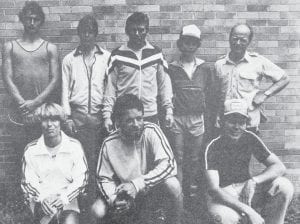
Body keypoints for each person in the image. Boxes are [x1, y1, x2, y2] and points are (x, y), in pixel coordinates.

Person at [92, 94, 183, 224]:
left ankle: (176, 221)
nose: (136, 124)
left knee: (173, 184)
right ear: (118, 122)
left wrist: (137, 184)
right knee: (97, 209)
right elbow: (103, 178)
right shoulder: (109, 143)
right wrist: (114, 199)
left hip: (151, 188)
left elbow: (168, 164)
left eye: (139, 118)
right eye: (129, 120)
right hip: (123, 192)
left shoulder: (151, 131)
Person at [204, 98, 294, 224]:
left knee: (284, 186)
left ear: (246, 123)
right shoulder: (212, 145)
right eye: (232, 121)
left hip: (247, 188)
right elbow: (214, 189)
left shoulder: (249, 137)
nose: (236, 127)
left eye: (241, 122)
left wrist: (254, 181)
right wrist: (248, 211)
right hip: (224, 194)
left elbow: (279, 166)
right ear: (222, 121)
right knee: (222, 217)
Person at [61, 15, 110, 214]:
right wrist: (68, 118)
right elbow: (64, 91)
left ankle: (97, 204)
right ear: (79, 34)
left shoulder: (106, 57)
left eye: (91, 31)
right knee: (79, 163)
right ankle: (78, 206)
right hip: (78, 119)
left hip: (99, 118)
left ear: (96, 34)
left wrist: (107, 116)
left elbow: (110, 88)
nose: (87, 35)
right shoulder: (69, 59)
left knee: (97, 162)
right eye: (84, 31)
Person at [2, 1, 59, 165]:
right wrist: (22, 104)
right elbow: (7, 77)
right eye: (28, 19)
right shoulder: (10, 46)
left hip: (42, 114)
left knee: (43, 158)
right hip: (19, 114)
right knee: (20, 158)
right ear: (22, 20)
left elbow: (55, 80)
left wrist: (35, 103)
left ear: (41, 21)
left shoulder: (50, 48)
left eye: (35, 19)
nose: (32, 23)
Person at [102, 12, 174, 132]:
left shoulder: (156, 54)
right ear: (127, 31)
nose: (137, 34)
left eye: (141, 30)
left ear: (147, 31)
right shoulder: (117, 55)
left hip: (150, 114)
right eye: (133, 30)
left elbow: (164, 85)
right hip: (125, 115)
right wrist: (107, 116)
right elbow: (110, 87)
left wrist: (169, 111)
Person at [213, 23, 289, 134]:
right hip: (226, 123)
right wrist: (216, 115)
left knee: (250, 151)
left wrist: (265, 94)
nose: (238, 43)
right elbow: (217, 94)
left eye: (243, 40)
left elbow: (284, 79)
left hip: (249, 122)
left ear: (249, 41)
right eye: (235, 39)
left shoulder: (257, 62)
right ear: (229, 39)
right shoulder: (219, 64)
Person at [21, 103, 88, 224]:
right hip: (42, 201)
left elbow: (81, 179)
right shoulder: (31, 149)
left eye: (54, 119)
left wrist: (63, 198)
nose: (49, 125)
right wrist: (43, 198)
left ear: (61, 122)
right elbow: (28, 181)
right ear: (40, 123)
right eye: (45, 120)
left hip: (67, 200)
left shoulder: (74, 146)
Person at [168, 25, 212, 203]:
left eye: (193, 42)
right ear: (180, 43)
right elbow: (167, 93)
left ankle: (191, 191)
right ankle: (179, 193)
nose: (189, 45)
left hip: (196, 118)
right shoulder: (171, 67)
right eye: (186, 41)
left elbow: (210, 94)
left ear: (198, 44)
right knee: (178, 155)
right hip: (178, 118)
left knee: (194, 157)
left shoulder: (204, 68)